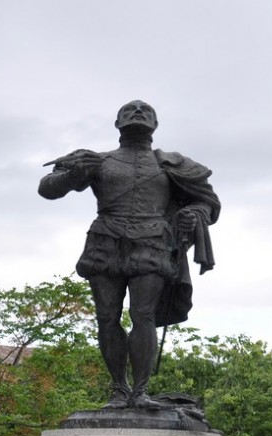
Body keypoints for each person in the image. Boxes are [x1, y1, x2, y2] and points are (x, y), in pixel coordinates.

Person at [38, 100, 220, 408]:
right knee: (107, 317)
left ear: (155, 124)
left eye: (145, 110)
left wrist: (193, 213)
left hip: (152, 242)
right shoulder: (97, 160)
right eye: (129, 110)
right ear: (117, 123)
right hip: (105, 241)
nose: (137, 112)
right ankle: (119, 389)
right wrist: (72, 175)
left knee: (143, 315)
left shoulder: (173, 165)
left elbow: (208, 203)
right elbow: (48, 187)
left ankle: (141, 392)